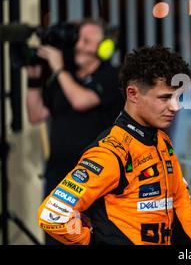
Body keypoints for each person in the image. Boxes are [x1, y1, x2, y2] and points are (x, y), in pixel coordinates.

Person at [36, 45, 191, 245]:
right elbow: (52, 215)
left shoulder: (162, 141)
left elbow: (180, 196)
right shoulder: (110, 152)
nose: (175, 106)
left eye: (177, 97)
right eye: (164, 98)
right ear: (133, 94)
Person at [26, 19, 123, 244]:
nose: (79, 45)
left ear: (104, 48)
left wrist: (58, 68)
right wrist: (33, 79)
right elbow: (35, 114)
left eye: (87, 41)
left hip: (93, 180)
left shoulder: (111, 76)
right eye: (78, 39)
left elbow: (81, 101)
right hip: (58, 176)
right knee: (55, 237)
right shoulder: (64, 77)